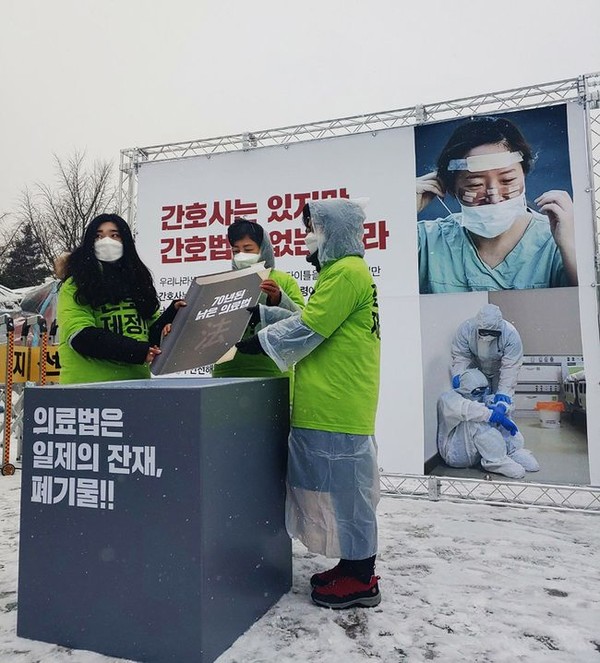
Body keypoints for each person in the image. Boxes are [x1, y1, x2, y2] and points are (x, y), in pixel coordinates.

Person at [235, 199, 381, 610]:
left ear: (334, 231)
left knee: (349, 494)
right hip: (330, 397)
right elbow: (310, 316)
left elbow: (306, 328)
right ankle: (350, 563)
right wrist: (264, 311)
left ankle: (361, 577)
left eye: (313, 227)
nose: (307, 235)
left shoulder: (346, 273)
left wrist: (247, 341)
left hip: (339, 400)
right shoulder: (341, 274)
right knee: (338, 489)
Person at [416, 115, 577, 293]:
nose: (494, 197)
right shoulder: (426, 240)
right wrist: (396, 211)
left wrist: (571, 246)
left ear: (524, 175)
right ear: (450, 187)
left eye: (507, 180)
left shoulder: (556, 240)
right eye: (475, 185)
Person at [57, 213, 184, 384]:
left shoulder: (138, 282)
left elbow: (149, 338)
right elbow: (80, 337)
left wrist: (172, 315)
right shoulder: (76, 285)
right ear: (89, 244)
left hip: (136, 385)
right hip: (89, 388)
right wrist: (138, 351)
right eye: (98, 236)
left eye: (114, 235)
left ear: (126, 242)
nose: (106, 241)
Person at [212, 218, 304, 380]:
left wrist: (278, 299)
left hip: (272, 371)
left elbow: (302, 322)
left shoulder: (282, 280)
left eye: (248, 249)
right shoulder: (223, 283)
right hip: (226, 371)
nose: (241, 256)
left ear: (264, 249)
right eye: (235, 251)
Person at [437, 368, 539, 479]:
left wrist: (502, 407)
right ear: (465, 389)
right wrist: (492, 415)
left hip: (475, 453)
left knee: (498, 414)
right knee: (477, 420)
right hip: (456, 454)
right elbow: (470, 410)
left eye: (484, 390)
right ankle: (496, 462)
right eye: (478, 391)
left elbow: (498, 401)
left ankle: (512, 451)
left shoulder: (479, 396)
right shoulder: (449, 399)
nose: (481, 393)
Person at [451, 304, 523, 414]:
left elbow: (510, 366)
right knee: (476, 402)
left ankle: (502, 426)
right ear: (477, 326)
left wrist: (504, 391)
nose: (488, 336)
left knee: (502, 403)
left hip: (499, 371)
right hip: (477, 369)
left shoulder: (510, 334)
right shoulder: (466, 329)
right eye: (484, 332)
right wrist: (459, 373)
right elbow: (462, 356)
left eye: (493, 333)